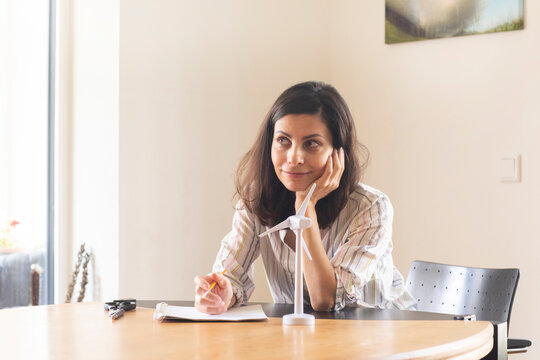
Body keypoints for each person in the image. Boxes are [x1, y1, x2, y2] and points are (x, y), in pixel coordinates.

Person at [194, 81, 415, 314]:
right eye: (283, 140)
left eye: (311, 144)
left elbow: (325, 299)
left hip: (382, 335)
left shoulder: (371, 207)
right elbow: (231, 276)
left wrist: (305, 205)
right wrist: (222, 292)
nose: (294, 157)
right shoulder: (256, 200)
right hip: (304, 340)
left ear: (337, 152)